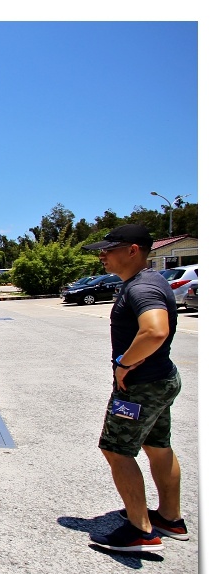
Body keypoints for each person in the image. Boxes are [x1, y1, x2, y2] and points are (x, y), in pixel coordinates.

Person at [82, 224, 186, 553]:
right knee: (158, 446)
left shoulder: (141, 287)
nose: (102, 255)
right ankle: (170, 518)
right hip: (160, 380)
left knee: (116, 450)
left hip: (140, 388)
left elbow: (155, 331)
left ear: (133, 250)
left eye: (109, 249)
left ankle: (141, 531)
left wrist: (124, 363)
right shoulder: (150, 280)